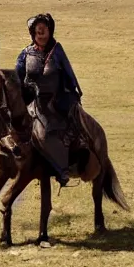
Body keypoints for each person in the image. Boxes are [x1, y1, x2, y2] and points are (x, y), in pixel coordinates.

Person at [15, 13, 85, 187]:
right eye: (38, 31)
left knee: (47, 134)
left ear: (50, 31)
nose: (41, 34)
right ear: (33, 34)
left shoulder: (57, 50)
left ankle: (62, 170)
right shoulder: (26, 53)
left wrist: (75, 93)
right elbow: (17, 76)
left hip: (55, 100)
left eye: (44, 31)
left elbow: (68, 73)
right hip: (32, 100)